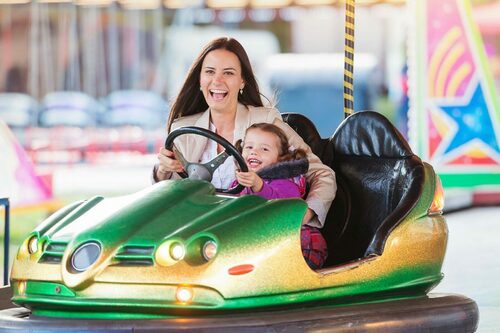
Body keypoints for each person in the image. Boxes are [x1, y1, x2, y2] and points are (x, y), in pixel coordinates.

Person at [153, 36, 336, 229]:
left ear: (242, 82)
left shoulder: (265, 121)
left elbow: (322, 174)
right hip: (197, 231)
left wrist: (305, 214)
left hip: (249, 232)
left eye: (228, 73)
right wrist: (163, 170)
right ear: (200, 80)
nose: (217, 81)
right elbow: (168, 198)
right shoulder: (182, 130)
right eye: (209, 72)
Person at [233, 123, 328, 268]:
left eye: (264, 149)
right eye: (249, 147)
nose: (254, 152)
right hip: (260, 240)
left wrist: (259, 186)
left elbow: (283, 207)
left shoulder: (286, 182)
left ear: (280, 158)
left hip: (296, 244)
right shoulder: (240, 180)